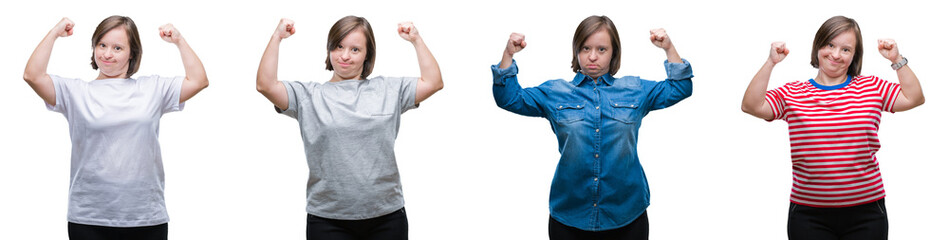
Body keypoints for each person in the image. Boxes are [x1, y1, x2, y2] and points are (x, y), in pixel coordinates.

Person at [491, 15, 693, 240]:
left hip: (627, 215)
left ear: (614, 52)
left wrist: (668, 48)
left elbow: (681, 87)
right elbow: (508, 98)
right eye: (585, 48)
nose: (592, 56)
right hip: (569, 216)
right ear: (576, 50)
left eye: (602, 49)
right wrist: (508, 54)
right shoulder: (555, 92)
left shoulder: (635, 89)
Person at [255, 16, 443, 240]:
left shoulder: (388, 90)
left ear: (367, 55)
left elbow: (433, 82)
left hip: (387, 217)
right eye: (339, 47)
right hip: (327, 220)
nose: (345, 56)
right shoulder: (308, 96)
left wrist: (416, 40)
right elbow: (265, 85)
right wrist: (277, 37)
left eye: (355, 49)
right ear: (329, 50)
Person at [23, 16, 208, 240]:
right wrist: (54, 33)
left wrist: (179, 40)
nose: (107, 54)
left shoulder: (153, 89)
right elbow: (32, 76)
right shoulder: (75, 92)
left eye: (117, 48)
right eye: (102, 45)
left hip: (145, 217)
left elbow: (198, 80)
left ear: (132, 53)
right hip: (89, 218)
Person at [740, 15, 924, 240]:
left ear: (854, 55)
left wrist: (896, 59)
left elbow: (914, 98)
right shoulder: (793, 93)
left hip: (867, 212)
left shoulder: (872, 87)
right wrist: (771, 62)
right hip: (808, 214)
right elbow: (751, 105)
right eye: (830, 45)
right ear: (818, 45)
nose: (836, 55)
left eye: (846, 49)